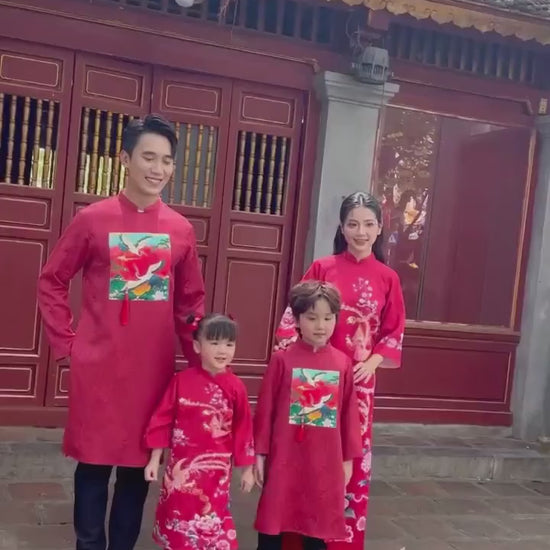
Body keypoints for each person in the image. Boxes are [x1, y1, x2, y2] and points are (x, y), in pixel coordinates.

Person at [37, 114, 205, 550]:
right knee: (92, 469)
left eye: (167, 160)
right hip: (98, 369)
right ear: (125, 158)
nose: (158, 169)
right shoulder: (93, 220)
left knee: (137, 473)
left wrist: (200, 367)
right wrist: (68, 345)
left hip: (152, 373)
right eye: (148, 157)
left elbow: (190, 305)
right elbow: (52, 280)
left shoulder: (180, 231)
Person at [276, 192, 405, 549]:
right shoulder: (323, 268)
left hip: (360, 384)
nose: (360, 232)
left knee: (349, 459)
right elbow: (292, 317)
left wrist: (373, 362)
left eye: (368, 224)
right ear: (342, 228)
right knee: (308, 457)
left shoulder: (388, 278)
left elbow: (394, 330)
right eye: (353, 224)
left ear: (379, 228)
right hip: (316, 380)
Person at [254, 281, 362, 550]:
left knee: (318, 522)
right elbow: (265, 409)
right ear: (298, 320)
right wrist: (259, 454)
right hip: (285, 455)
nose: (320, 326)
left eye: (328, 318)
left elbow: (349, 414)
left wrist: (347, 459)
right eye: (312, 318)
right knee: (274, 518)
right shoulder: (282, 360)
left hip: (324, 458)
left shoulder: (342, 363)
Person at [144, 313, 255, 550]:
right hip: (180, 467)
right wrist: (155, 459)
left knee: (212, 521)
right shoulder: (181, 381)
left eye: (229, 344)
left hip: (216, 472)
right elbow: (162, 420)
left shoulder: (236, 387)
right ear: (197, 345)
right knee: (177, 519)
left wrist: (247, 469)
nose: (222, 350)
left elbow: (244, 428)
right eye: (214, 343)